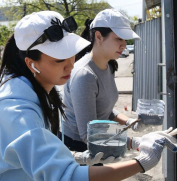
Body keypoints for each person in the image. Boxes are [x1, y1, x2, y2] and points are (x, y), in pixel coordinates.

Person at [0, 11, 177, 181]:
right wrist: (141, 161)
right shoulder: (16, 112)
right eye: (58, 59)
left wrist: (79, 157)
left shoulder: (39, 90)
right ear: (30, 63)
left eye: (71, 53)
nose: (70, 64)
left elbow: (44, 150)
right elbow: (69, 179)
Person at [61, 9, 147, 154]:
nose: (124, 45)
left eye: (125, 40)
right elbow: (89, 136)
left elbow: (104, 109)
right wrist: (133, 142)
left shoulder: (109, 65)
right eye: (119, 38)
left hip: (99, 144)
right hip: (78, 151)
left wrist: (128, 122)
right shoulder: (85, 75)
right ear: (99, 37)